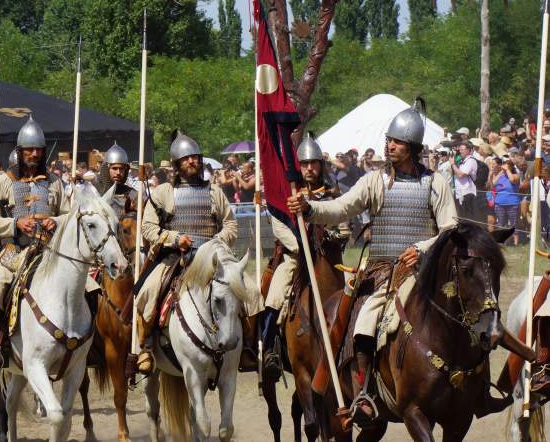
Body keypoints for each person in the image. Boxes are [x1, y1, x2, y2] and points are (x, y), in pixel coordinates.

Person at [287, 102, 457, 428]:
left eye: (398, 142)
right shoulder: (374, 181)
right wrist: (309, 208)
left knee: (469, 308)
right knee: (364, 320)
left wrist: (421, 249)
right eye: (389, 140)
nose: (390, 145)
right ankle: (364, 390)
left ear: (413, 148)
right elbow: (341, 208)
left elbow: (450, 228)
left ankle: (474, 383)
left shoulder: (436, 183)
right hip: (382, 273)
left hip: (423, 272)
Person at [132, 132, 239, 374]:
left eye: (195, 158)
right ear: (177, 164)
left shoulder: (215, 192)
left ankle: (249, 347)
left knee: (248, 290)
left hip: (212, 259)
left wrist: (217, 241)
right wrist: (174, 238)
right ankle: (146, 346)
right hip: (175, 259)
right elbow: (148, 227)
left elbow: (231, 224)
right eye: (186, 159)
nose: (192, 162)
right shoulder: (163, 193)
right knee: (147, 292)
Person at [0, 117, 79, 368]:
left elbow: (69, 214)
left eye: (38, 150)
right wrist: (15, 224)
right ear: (20, 151)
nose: (34, 154)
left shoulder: (55, 182)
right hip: (15, 250)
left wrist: (56, 221)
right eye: (29, 150)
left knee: (88, 286)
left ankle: (87, 339)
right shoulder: (4, 182)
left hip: (50, 251)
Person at [258, 134, 345, 378]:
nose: (309, 168)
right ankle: (270, 349)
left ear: (320, 165)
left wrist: (335, 235)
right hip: (294, 257)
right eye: (304, 164)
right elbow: (278, 224)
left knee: (350, 294)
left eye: (313, 163)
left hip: (326, 257)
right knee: (275, 294)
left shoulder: (332, 193)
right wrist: (298, 245)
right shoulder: (287, 192)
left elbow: (343, 225)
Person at [451, 141, 479, 221]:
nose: (460, 151)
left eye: (462, 149)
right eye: (459, 150)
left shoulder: (471, 161)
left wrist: (453, 164)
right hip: (460, 193)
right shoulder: (462, 161)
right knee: (461, 217)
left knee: (467, 219)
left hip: (468, 193)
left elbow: (461, 175)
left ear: (469, 150)